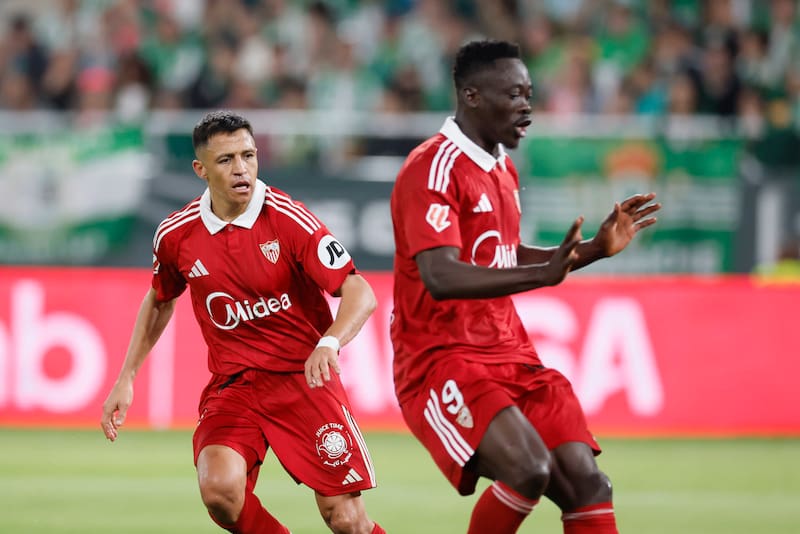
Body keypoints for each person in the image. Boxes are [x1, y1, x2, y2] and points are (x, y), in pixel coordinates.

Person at [390, 40, 661, 534]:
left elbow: (502, 257)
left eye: (529, 94)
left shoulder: (502, 168)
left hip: (512, 354)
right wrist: (544, 275)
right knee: (527, 469)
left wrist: (594, 250)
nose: (526, 106)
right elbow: (440, 275)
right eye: (513, 94)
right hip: (441, 358)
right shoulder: (432, 167)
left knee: (589, 485)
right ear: (471, 96)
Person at [101, 110, 386, 534]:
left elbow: (360, 291)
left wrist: (329, 342)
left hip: (302, 380)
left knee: (346, 519)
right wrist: (126, 377)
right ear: (200, 169)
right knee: (219, 491)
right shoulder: (176, 234)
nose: (241, 169)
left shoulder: (289, 219)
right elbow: (160, 299)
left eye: (248, 156)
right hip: (235, 385)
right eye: (227, 159)